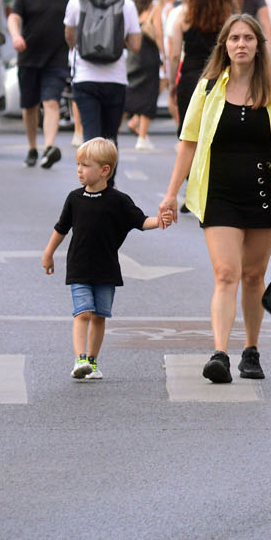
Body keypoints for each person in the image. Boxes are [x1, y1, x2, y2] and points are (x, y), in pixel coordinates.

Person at [160, 13, 271, 384]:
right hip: (219, 193)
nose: (241, 44)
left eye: (248, 38)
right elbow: (187, 142)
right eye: (234, 38)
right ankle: (220, 354)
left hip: (264, 192)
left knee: (254, 276)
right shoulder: (208, 87)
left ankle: (251, 351)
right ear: (224, 45)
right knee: (226, 273)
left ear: (259, 45)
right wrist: (171, 194)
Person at [41, 137, 172, 380]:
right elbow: (61, 228)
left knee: (100, 316)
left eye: (85, 165)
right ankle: (80, 359)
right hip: (79, 266)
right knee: (82, 313)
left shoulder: (118, 200)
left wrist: (160, 220)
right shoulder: (74, 198)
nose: (79, 170)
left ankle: (92, 360)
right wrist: (48, 254)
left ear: (105, 170)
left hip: (106, 269)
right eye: (78, 164)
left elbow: (141, 222)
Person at [62, 0, 142, 147]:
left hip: (84, 77)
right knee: (110, 138)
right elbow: (136, 45)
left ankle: (93, 176)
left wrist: (79, 47)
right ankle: (109, 178)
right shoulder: (127, 5)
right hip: (115, 79)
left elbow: (69, 36)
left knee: (91, 138)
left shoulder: (76, 2)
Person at [11, 0, 74, 169]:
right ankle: (32, 147)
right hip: (29, 58)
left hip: (56, 59)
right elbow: (14, 17)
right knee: (30, 107)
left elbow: (75, 23)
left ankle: (49, 147)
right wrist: (16, 35)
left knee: (51, 102)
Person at [167, 0, 234, 129]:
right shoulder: (229, 19)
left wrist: (172, 83)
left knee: (189, 134)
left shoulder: (184, 17)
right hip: (220, 78)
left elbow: (175, 55)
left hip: (190, 79)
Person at [123, 0, 164, 149]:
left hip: (133, 54)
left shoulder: (132, 6)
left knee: (130, 91)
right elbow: (159, 34)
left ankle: (117, 126)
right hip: (149, 56)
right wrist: (164, 56)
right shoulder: (156, 8)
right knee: (149, 93)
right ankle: (142, 136)